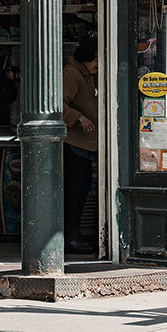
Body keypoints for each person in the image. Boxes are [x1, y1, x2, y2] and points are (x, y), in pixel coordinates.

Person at [63, 41, 99, 255]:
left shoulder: (89, 75)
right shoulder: (72, 74)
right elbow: (59, 104)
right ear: (85, 58)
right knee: (75, 191)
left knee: (82, 189)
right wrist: (79, 118)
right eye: (95, 60)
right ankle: (71, 235)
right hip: (73, 143)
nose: (98, 64)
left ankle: (75, 233)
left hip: (86, 143)